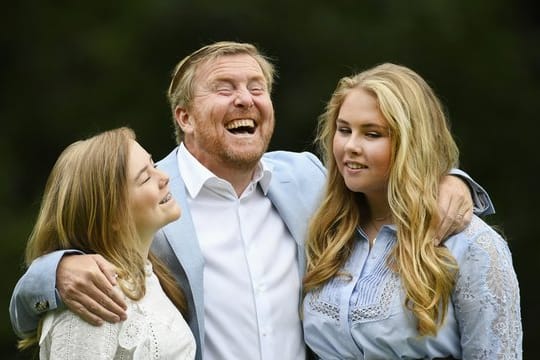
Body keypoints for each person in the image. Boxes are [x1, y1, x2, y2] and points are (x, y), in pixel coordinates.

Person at [10, 42, 494, 360]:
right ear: (184, 116)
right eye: (225, 88)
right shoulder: (148, 194)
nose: (246, 99)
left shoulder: (306, 177)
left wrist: (453, 181)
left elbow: (386, 164)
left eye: (256, 88)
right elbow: (44, 287)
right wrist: (56, 270)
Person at [302, 63, 522, 359]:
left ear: (412, 143)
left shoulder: (472, 246)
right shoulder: (327, 233)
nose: (350, 146)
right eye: (344, 130)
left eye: (372, 134)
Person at [16, 127, 196, 359]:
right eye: (145, 177)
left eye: (154, 165)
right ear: (113, 216)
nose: (164, 177)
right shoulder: (90, 300)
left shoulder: (148, 276)